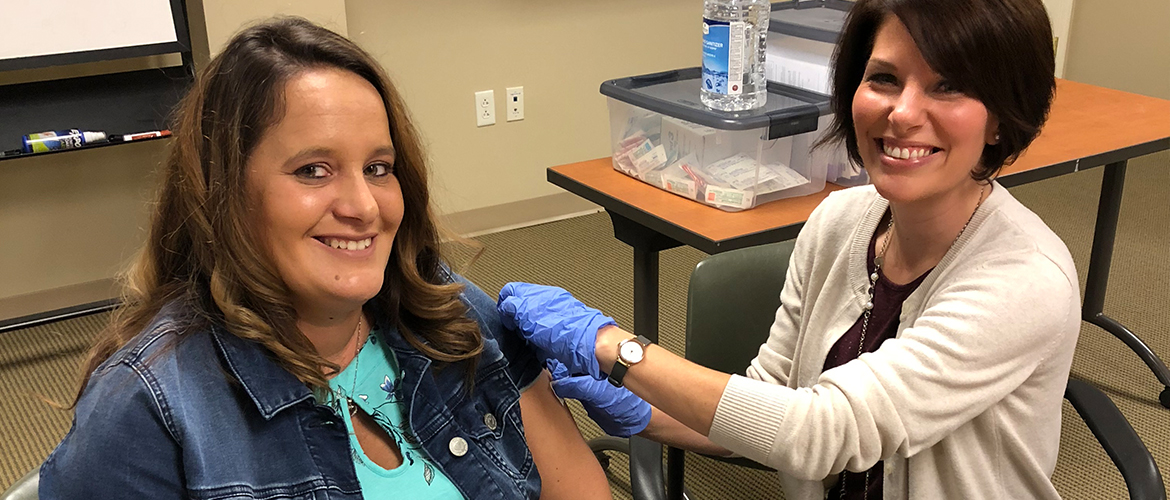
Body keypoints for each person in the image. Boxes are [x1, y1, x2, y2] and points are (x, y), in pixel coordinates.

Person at [499, 0, 1081, 498]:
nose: (902, 113)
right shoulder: (838, 221)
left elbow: (821, 431)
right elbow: (771, 402)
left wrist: (615, 350)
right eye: (882, 79)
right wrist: (642, 406)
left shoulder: (1024, 279)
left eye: (948, 86)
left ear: (1002, 120)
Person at [39, 17, 611, 500]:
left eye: (378, 168)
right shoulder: (149, 411)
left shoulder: (447, 312)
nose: (364, 206)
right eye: (313, 170)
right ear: (225, 192)